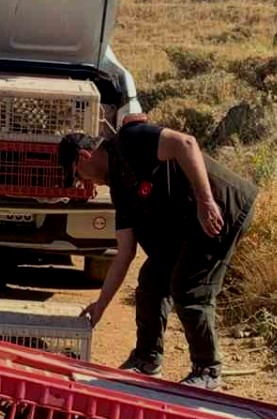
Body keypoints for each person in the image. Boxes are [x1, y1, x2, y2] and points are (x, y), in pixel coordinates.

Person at [58, 120, 257, 390]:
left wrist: (205, 200)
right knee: (152, 278)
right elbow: (125, 253)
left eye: (78, 175)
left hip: (221, 208)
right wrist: (100, 306)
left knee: (189, 288)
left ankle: (207, 369)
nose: (84, 183)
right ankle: (147, 359)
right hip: (189, 223)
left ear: (84, 156)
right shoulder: (119, 188)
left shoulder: (130, 140)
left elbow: (185, 144)